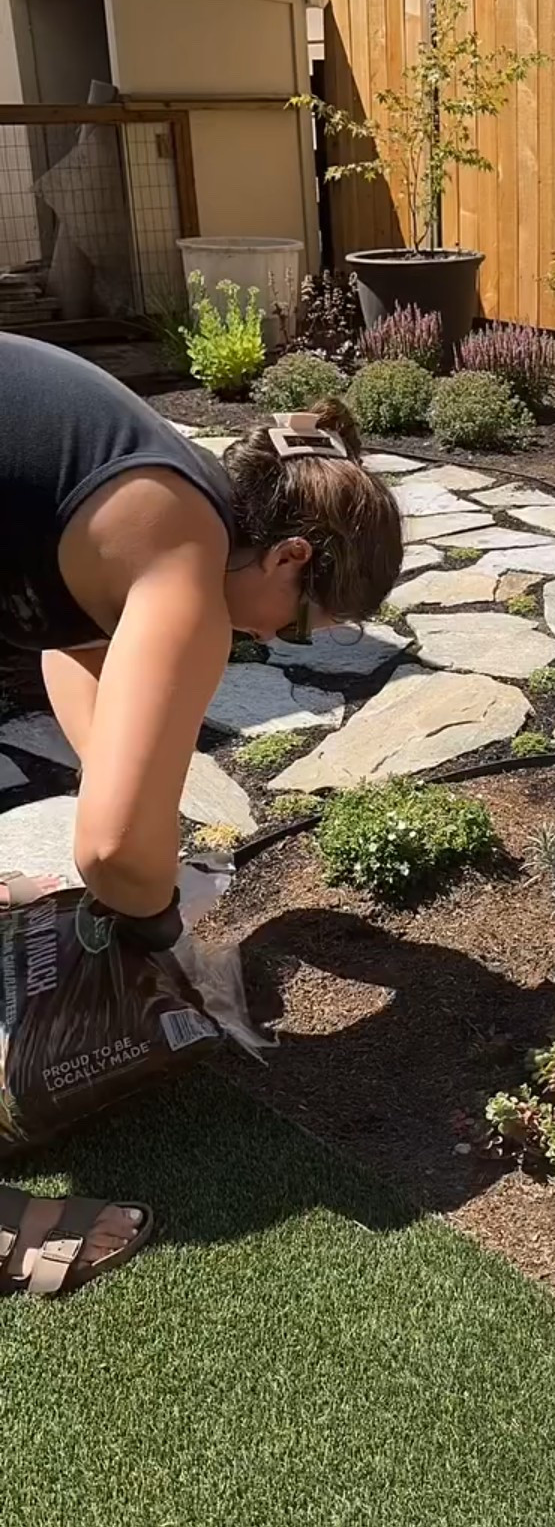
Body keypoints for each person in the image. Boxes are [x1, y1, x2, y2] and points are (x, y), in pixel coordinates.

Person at [0, 331, 402, 1295]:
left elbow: (71, 653)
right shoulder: (187, 556)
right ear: (292, 555)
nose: (277, 642)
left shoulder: (160, 501)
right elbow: (105, 852)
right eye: (304, 625)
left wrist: (138, 806)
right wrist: (154, 917)